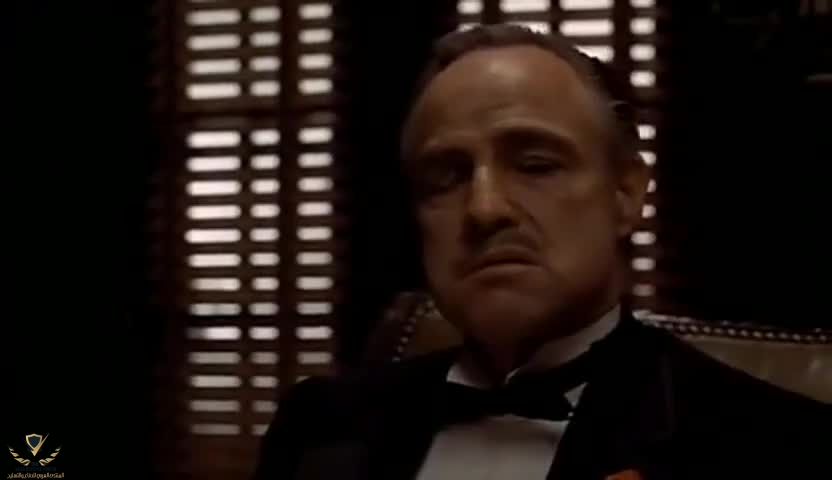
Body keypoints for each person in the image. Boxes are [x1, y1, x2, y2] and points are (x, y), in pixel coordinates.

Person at [253, 25, 830, 480]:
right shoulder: (319, 427)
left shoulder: (776, 446)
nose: (485, 209)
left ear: (626, 193)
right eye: (446, 178)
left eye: (535, 164)